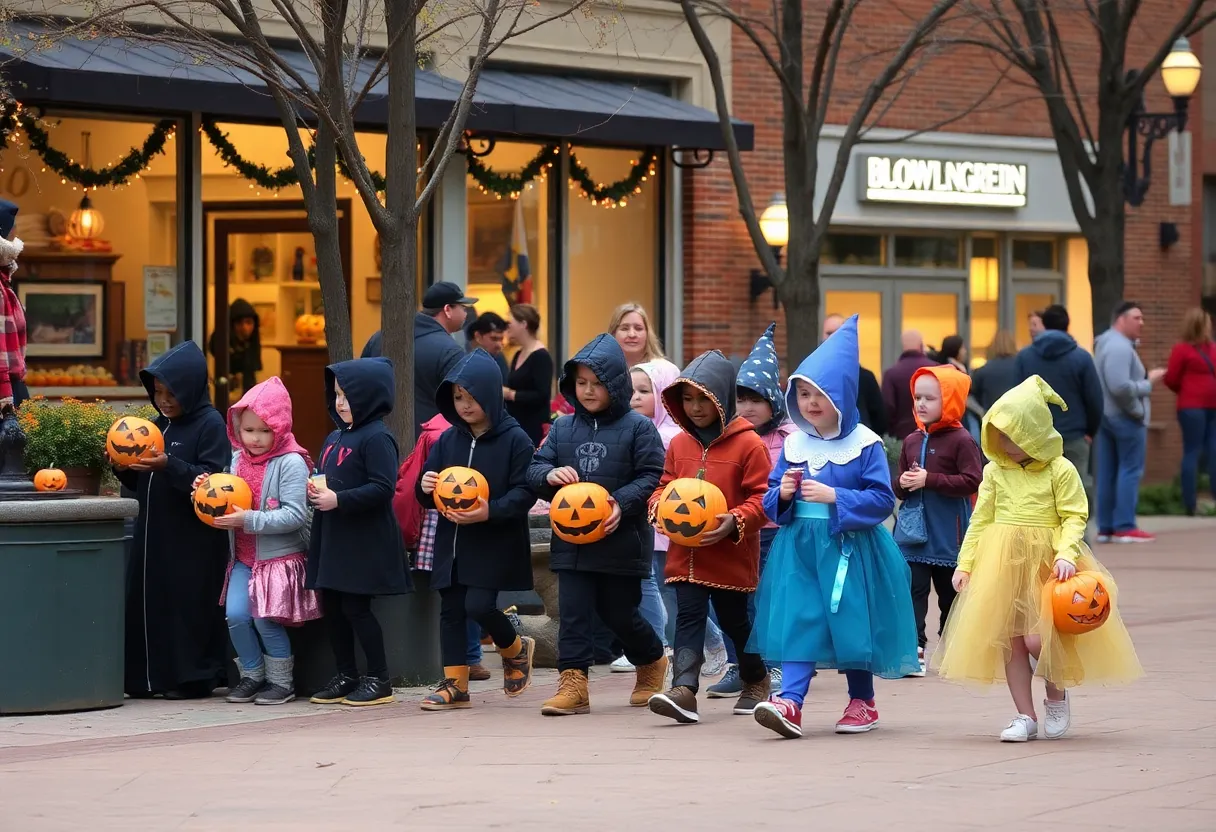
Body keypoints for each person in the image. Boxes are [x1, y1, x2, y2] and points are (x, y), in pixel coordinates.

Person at [932, 376, 1143, 742]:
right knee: (1011, 640)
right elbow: (980, 519)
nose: (1005, 444)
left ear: (1033, 431)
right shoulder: (995, 471)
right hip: (1002, 562)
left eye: (1013, 436)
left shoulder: (1060, 469)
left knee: (1037, 639)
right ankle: (1024, 716)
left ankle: (1056, 697)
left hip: (1048, 563)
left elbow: (1074, 515)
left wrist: (1066, 553)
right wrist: (965, 563)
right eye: (999, 436)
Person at [749, 316, 919, 739]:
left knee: (850, 620)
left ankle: (862, 700)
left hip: (849, 547)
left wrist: (836, 496)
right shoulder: (794, 444)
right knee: (799, 616)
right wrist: (783, 493)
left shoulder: (865, 443)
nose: (810, 403)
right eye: (803, 393)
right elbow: (771, 497)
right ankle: (790, 701)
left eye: (819, 394)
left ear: (840, 394)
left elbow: (882, 499)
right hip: (800, 549)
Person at [529, 335, 669, 715]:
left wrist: (621, 502)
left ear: (616, 385)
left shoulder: (639, 428)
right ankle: (573, 684)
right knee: (573, 612)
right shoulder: (562, 428)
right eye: (581, 383)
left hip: (620, 539)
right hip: (571, 539)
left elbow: (651, 475)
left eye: (597, 383)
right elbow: (536, 468)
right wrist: (549, 475)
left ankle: (651, 659)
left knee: (619, 614)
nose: (588, 391)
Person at [647, 349, 771, 725]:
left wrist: (736, 520)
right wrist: (657, 508)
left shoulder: (749, 444)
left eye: (703, 399)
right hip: (684, 553)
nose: (695, 408)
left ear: (722, 398)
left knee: (736, 622)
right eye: (687, 399)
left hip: (729, 554)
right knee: (689, 617)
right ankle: (684, 689)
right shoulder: (678, 444)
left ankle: (756, 678)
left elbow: (763, 498)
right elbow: (664, 486)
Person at [418, 349, 537, 710]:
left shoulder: (516, 440)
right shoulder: (447, 440)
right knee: (451, 610)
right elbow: (429, 494)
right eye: (458, 398)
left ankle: (515, 648)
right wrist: (424, 486)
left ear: (490, 395)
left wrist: (491, 511)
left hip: (492, 541)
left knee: (478, 605)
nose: (465, 405)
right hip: (452, 542)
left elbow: (525, 491)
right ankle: (456, 685)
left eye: (472, 397)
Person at [117, 341, 231, 699]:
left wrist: (171, 465)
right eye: (157, 392)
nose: (163, 400)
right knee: (152, 604)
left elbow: (213, 480)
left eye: (171, 393)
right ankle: (145, 678)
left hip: (191, 540)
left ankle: (192, 678)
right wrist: (122, 466)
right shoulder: (159, 424)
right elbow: (141, 481)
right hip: (153, 535)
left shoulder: (210, 423)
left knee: (186, 608)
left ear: (191, 389)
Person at [206, 376, 320, 705]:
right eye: (249, 430)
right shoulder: (237, 460)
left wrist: (249, 520)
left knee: (265, 619)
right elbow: (227, 495)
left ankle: (282, 683)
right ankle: (252, 675)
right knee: (236, 616)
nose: (255, 438)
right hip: (243, 559)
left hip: (278, 560)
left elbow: (295, 515)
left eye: (265, 430)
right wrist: (206, 489)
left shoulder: (291, 462)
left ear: (281, 428)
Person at [306, 357, 411, 707]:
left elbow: (383, 487)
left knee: (356, 608)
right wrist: (316, 490)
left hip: (363, 540)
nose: (339, 402)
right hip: (335, 536)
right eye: (336, 395)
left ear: (369, 396)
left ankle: (379, 678)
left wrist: (339, 499)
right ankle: (346, 674)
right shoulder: (335, 436)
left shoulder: (378, 437)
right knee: (334, 607)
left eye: (347, 395)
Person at [707, 323, 793, 699]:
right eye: (740, 399)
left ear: (774, 399)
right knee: (732, 600)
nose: (747, 408)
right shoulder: (729, 439)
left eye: (756, 399)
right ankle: (738, 664)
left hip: (775, 531)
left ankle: (773, 664)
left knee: (770, 600)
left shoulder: (790, 438)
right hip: (737, 529)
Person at [894, 366, 982, 676]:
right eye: (917, 397)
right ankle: (914, 649)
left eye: (930, 398)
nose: (921, 403)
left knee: (950, 596)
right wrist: (902, 482)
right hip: (913, 535)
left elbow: (972, 481)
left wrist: (929, 479)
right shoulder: (911, 440)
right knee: (913, 591)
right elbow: (899, 487)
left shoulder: (962, 440)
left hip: (949, 535)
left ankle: (950, 647)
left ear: (951, 400)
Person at [1014, 304, 1103, 536]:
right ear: (1067, 325)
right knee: (1074, 493)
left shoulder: (1025, 357)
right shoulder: (1081, 358)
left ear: (1044, 324)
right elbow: (1095, 398)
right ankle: (1076, 543)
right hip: (1073, 435)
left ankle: (1040, 542)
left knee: (1039, 494)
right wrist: (1090, 430)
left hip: (1036, 438)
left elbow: (1016, 398)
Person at [361, 281, 477, 437]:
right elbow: (463, 404)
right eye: (462, 307)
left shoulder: (378, 339)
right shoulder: (450, 351)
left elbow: (363, 387)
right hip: (428, 442)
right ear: (447, 310)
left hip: (379, 438)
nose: (465, 313)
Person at [1094, 302, 1165, 543]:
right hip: (1125, 418)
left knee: (1107, 472)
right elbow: (1120, 387)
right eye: (1137, 317)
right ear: (1121, 319)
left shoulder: (1104, 342)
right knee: (1130, 470)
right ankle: (1124, 526)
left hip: (1107, 417)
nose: (1142, 323)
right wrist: (1148, 385)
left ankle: (1106, 527)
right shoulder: (1119, 347)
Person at [1163, 308, 1216, 515]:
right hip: (1213, 404)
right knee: (1213, 450)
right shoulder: (1213, 349)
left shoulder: (1181, 350)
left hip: (1190, 407)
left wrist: (1185, 389)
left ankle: (1190, 504)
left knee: (1191, 452)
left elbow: (1171, 378)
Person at [823, 314, 886, 435]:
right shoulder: (813, 376)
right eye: (829, 333)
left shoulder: (865, 378)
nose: (833, 337)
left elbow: (880, 420)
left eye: (838, 332)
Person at [503, 303, 554, 446]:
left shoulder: (541, 356)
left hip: (533, 428)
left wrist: (511, 395)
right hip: (516, 425)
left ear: (523, 324)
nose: (508, 327)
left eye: (510, 322)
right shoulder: (518, 354)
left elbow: (542, 394)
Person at [882, 330, 938, 440]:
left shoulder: (892, 374)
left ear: (902, 347)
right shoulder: (937, 369)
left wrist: (892, 432)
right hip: (934, 434)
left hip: (903, 435)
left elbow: (888, 407)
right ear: (921, 345)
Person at [0, 198, 28, 411]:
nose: (16, 234)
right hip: (5, 389)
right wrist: (6, 403)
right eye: (12, 228)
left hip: (13, 384)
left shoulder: (4, 282)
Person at [208, 299, 262, 395]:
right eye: (239, 323)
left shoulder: (251, 346)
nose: (244, 327)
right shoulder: (220, 344)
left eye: (249, 322)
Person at [970, 331, 1020, 413]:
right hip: (1016, 414)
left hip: (992, 414)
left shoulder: (982, 371)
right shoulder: (1020, 367)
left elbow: (974, 394)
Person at [610, 302, 665, 367]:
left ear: (648, 334)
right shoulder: (601, 369)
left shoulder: (664, 368)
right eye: (625, 328)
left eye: (638, 329)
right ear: (613, 333)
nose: (632, 334)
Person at [466, 311, 510, 380]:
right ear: (478, 336)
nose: (499, 345)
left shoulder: (498, 358)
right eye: (494, 339)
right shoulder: (461, 357)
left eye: (501, 339)